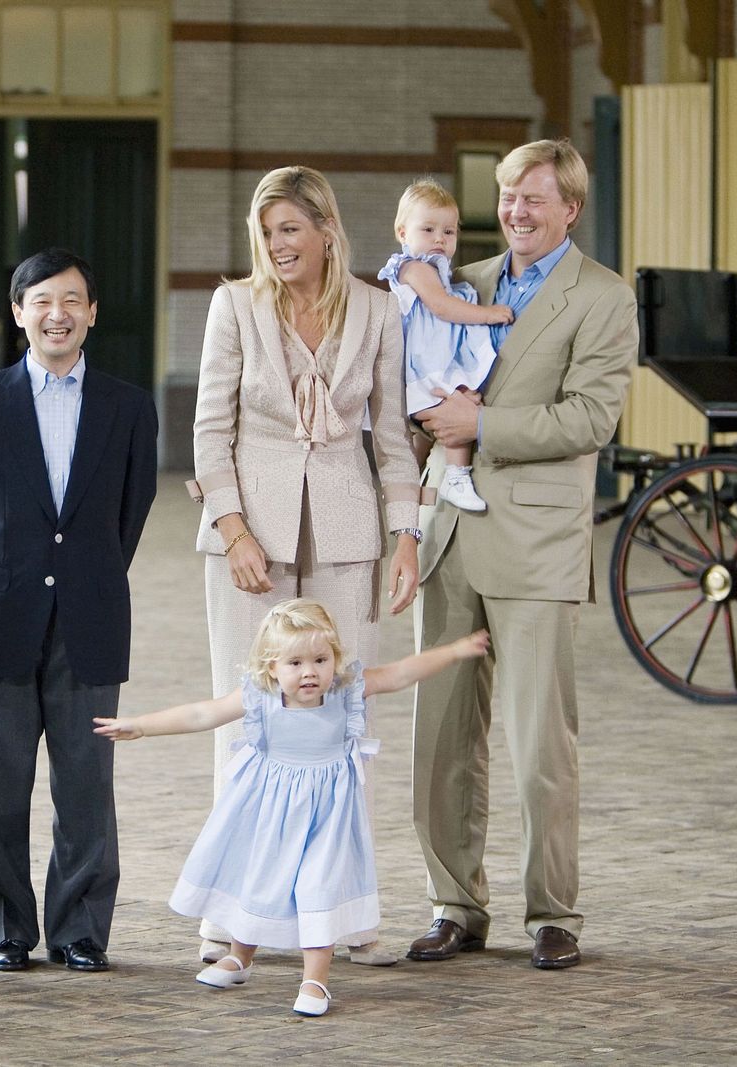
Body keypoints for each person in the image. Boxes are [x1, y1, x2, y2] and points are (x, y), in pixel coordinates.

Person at [407, 139, 638, 970]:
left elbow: (590, 419)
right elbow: (414, 374)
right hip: (451, 534)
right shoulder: (458, 281)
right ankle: (454, 904)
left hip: (538, 541)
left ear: (570, 208)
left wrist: (484, 427)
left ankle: (553, 912)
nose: (516, 213)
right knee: (439, 740)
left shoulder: (604, 298)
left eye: (534, 200)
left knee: (541, 741)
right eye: (507, 198)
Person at [187, 165, 422, 968]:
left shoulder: (378, 309)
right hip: (247, 534)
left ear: (325, 231)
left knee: (343, 725)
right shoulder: (234, 306)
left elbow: (393, 439)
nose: (277, 244)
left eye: (290, 228)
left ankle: (341, 913)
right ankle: (230, 916)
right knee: (248, 725)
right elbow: (209, 430)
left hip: (349, 533)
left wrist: (407, 536)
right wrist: (235, 527)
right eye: (266, 231)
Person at [94, 599, 489, 1017]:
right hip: (268, 817)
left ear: (335, 660)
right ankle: (241, 957)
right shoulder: (260, 698)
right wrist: (141, 726)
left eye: (320, 659)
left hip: (329, 820)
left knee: (317, 889)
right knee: (262, 883)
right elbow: (200, 713)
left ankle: (315, 979)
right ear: (271, 668)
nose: (309, 672)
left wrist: (455, 651)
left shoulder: (346, 692)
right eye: (295, 663)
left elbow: (400, 674)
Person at [0, 248, 157, 973]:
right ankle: (5, 925)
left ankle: (80, 929)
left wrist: (80, 574)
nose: (56, 313)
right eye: (41, 300)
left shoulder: (127, 405)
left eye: (72, 300)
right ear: (18, 311)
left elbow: (132, 509)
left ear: (92, 312)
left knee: (86, 783)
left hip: (90, 614)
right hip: (0, 613)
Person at [377, 178, 513, 513]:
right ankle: (455, 475)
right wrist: (489, 314)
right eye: (428, 229)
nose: (440, 238)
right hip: (421, 370)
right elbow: (441, 307)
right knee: (456, 411)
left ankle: (410, 485)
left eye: (449, 232)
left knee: (456, 408)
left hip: (435, 365)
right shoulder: (415, 268)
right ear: (402, 233)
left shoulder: (438, 272)